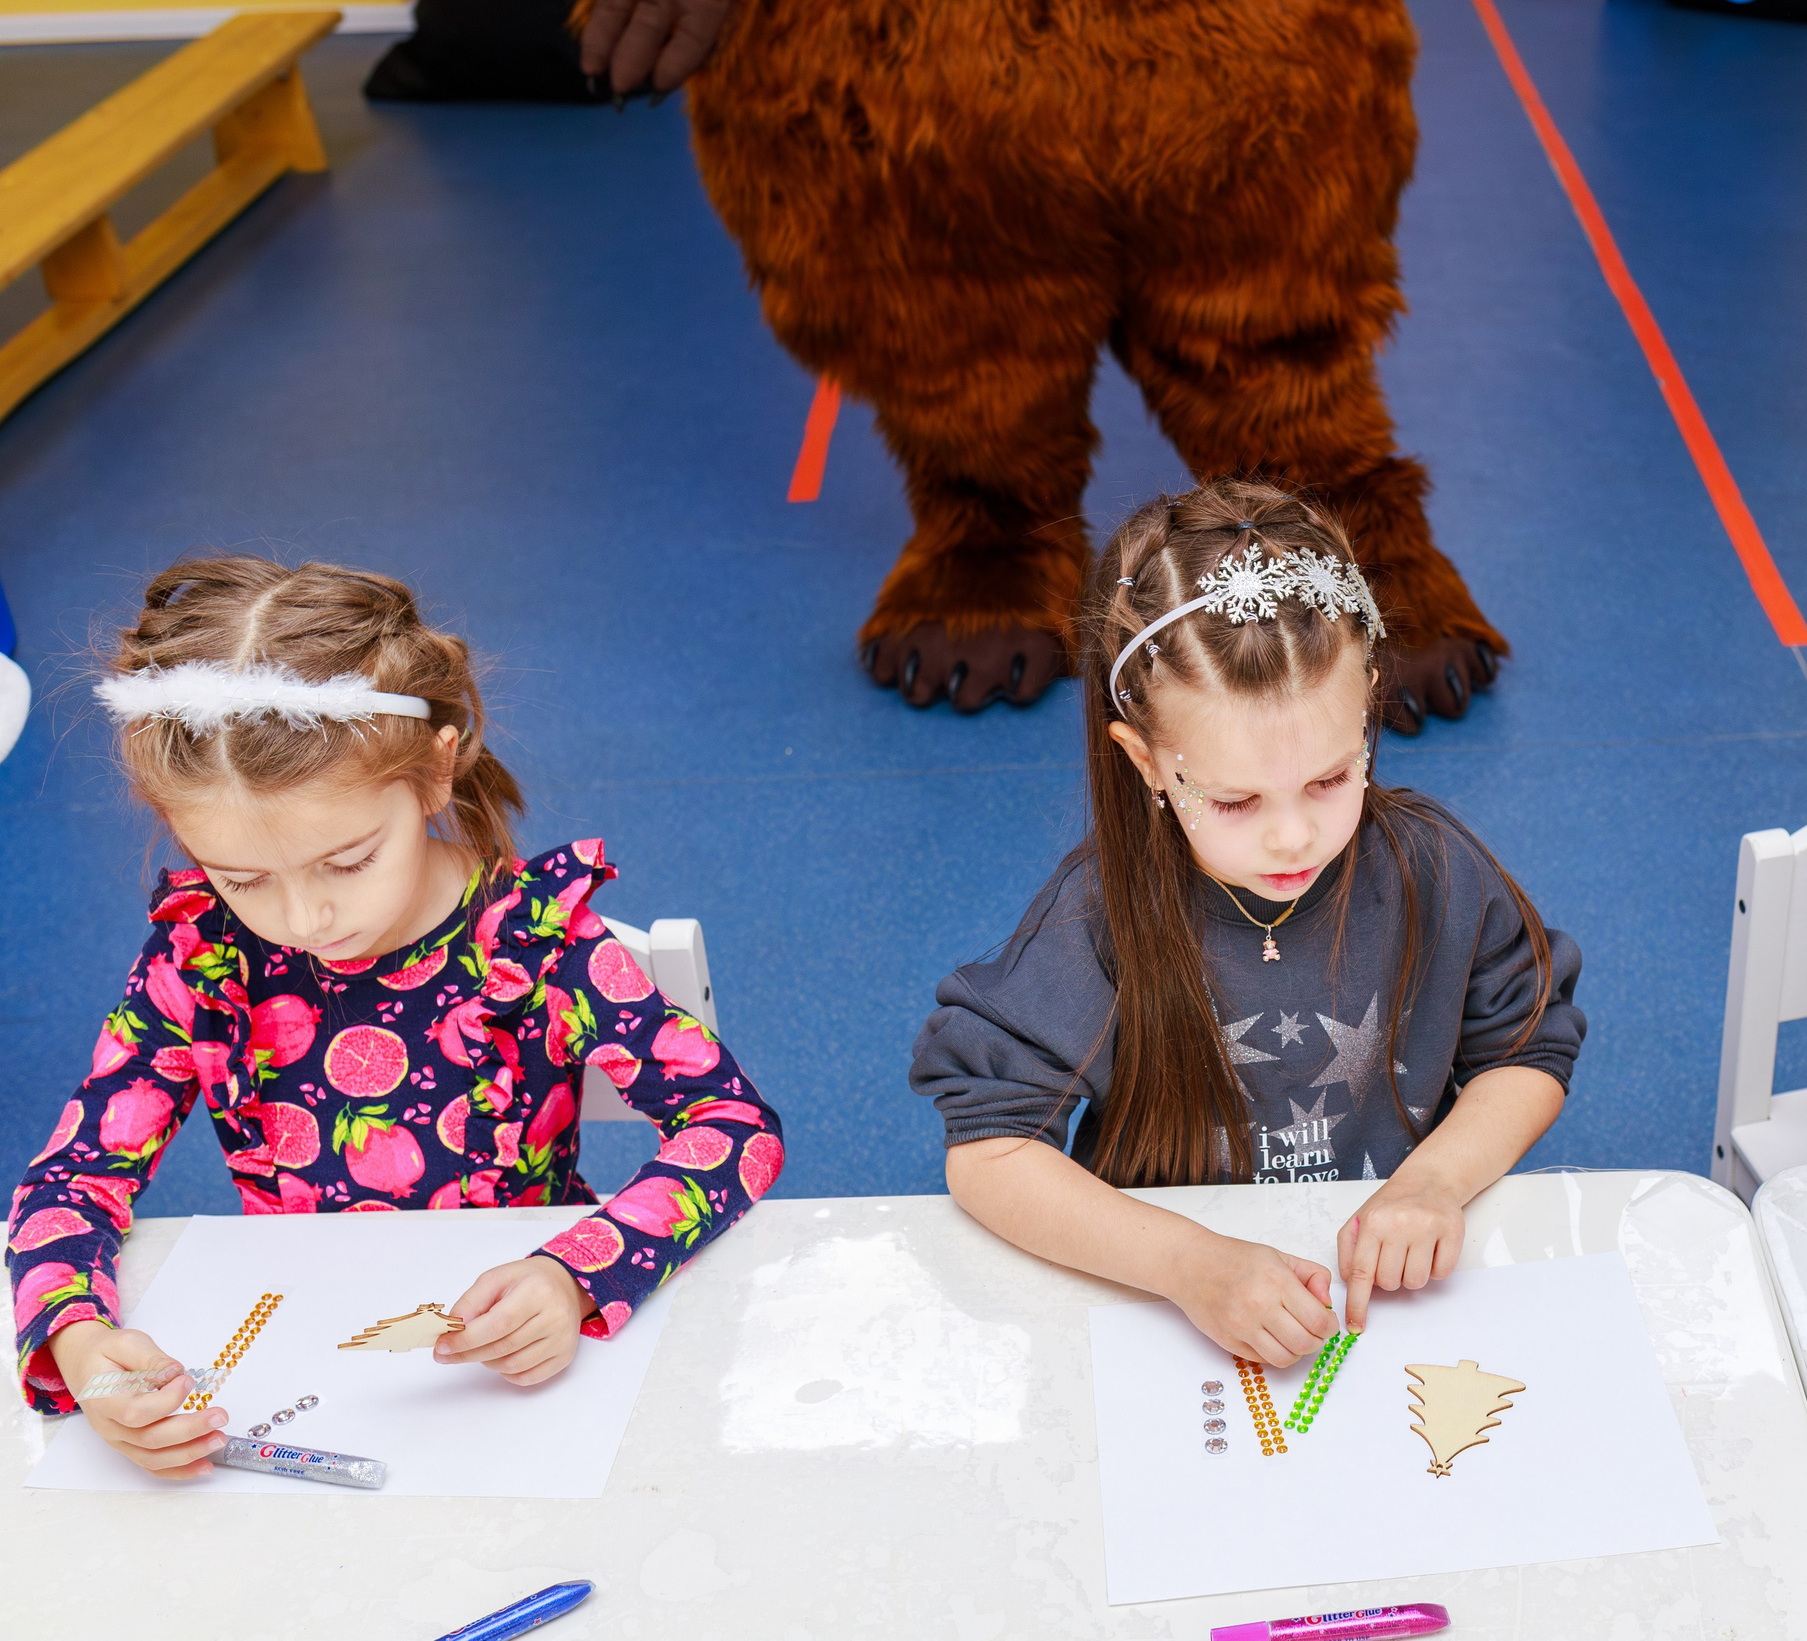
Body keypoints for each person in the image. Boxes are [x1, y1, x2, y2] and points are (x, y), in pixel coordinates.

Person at [9, 558, 785, 1474]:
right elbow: (73, 1176)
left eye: (347, 862)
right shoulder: (199, 955)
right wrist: (78, 1342)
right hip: (310, 1359)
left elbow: (732, 1125)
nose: (304, 919)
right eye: (242, 877)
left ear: (434, 770)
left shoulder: (537, 942)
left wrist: (575, 1272)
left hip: (519, 1369)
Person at [910, 483, 1583, 1363]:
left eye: (1331, 778)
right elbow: (989, 1151)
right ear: (1145, 761)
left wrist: (1436, 1181)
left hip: (1391, 1310)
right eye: (1234, 800)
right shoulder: (1098, 915)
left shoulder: (1434, 867)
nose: (1293, 835)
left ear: (1369, 703)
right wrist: (1186, 1264)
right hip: (1164, 1320)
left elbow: (1527, 1048)